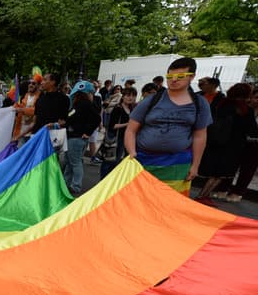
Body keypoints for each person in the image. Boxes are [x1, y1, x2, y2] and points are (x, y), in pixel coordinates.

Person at [124, 57, 212, 196]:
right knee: (137, 200)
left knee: (170, 204)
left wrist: (195, 165)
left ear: (192, 76)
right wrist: (132, 152)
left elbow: (200, 136)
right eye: (170, 76)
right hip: (144, 161)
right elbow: (131, 129)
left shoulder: (200, 103)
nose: (174, 80)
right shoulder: (152, 100)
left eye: (180, 76)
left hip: (177, 165)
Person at [196, 83, 257, 204]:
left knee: (214, 172)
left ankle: (203, 195)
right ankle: (203, 196)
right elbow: (253, 131)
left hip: (216, 142)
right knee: (221, 174)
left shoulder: (222, 103)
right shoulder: (245, 110)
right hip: (233, 146)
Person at [216, 87, 258, 202]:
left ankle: (237, 193)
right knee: (230, 166)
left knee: (248, 169)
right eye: (255, 97)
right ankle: (223, 189)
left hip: (255, 145)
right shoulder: (243, 108)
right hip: (238, 142)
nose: (256, 100)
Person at [63, 81, 101, 195]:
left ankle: (75, 186)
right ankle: (67, 184)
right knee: (71, 162)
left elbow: (97, 119)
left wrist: (88, 132)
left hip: (76, 137)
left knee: (74, 163)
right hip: (76, 137)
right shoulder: (84, 104)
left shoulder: (82, 104)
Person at [100, 86, 137, 179]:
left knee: (117, 163)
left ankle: (110, 181)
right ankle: (103, 181)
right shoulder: (118, 108)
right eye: (128, 95)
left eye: (133, 95)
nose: (130, 98)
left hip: (126, 139)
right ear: (123, 96)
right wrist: (127, 124)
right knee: (109, 162)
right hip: (116, 139)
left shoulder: (132, 109)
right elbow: (112, 125)